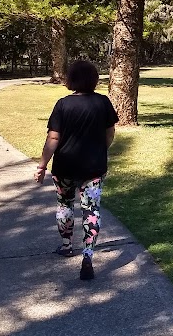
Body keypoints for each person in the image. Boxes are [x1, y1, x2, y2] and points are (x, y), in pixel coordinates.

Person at [34, 60, 118, 280]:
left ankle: (66, 245)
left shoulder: (63, 104)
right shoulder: (103, 102)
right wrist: (101, 150)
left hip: (65, 166)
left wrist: (42, 165)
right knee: (91, 209)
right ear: (93, 79)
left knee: (64, 205)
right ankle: (88, 254)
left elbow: (53, 137)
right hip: (94, 168)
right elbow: (109, 133)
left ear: (70, 79)